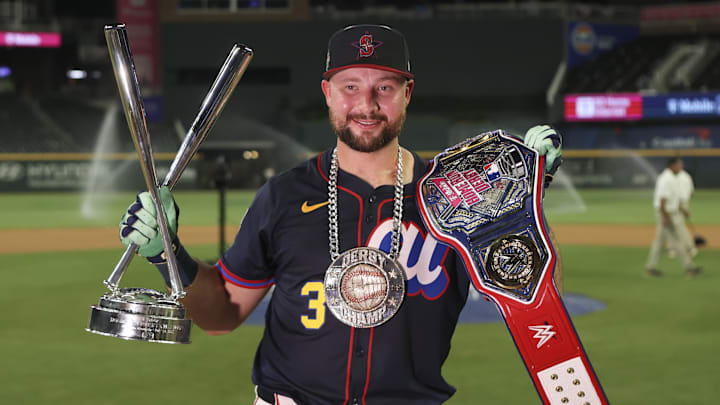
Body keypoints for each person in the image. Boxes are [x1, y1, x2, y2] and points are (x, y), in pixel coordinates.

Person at [119, 24, 563, 404]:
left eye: (384, 88)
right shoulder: (284, 196)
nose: (366, 105)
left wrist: (520, 207)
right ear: (328, 93)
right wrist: (168, 255)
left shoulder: (457, 199)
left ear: (407, 93)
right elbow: (223, 315)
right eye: (351, 86)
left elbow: (537, 305)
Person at [645, 157, 701, 278]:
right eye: (679, 165)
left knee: (659, 242)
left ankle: (650, 268)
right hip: (666, 214)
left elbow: (673, 199)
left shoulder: (673, 178)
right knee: (676, 241)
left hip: (670, 212)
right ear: (672, 166)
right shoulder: (666, 179)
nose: (681, 167)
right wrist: (665, 218)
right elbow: (662, 201)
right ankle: (689, 267)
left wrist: (683, 209)